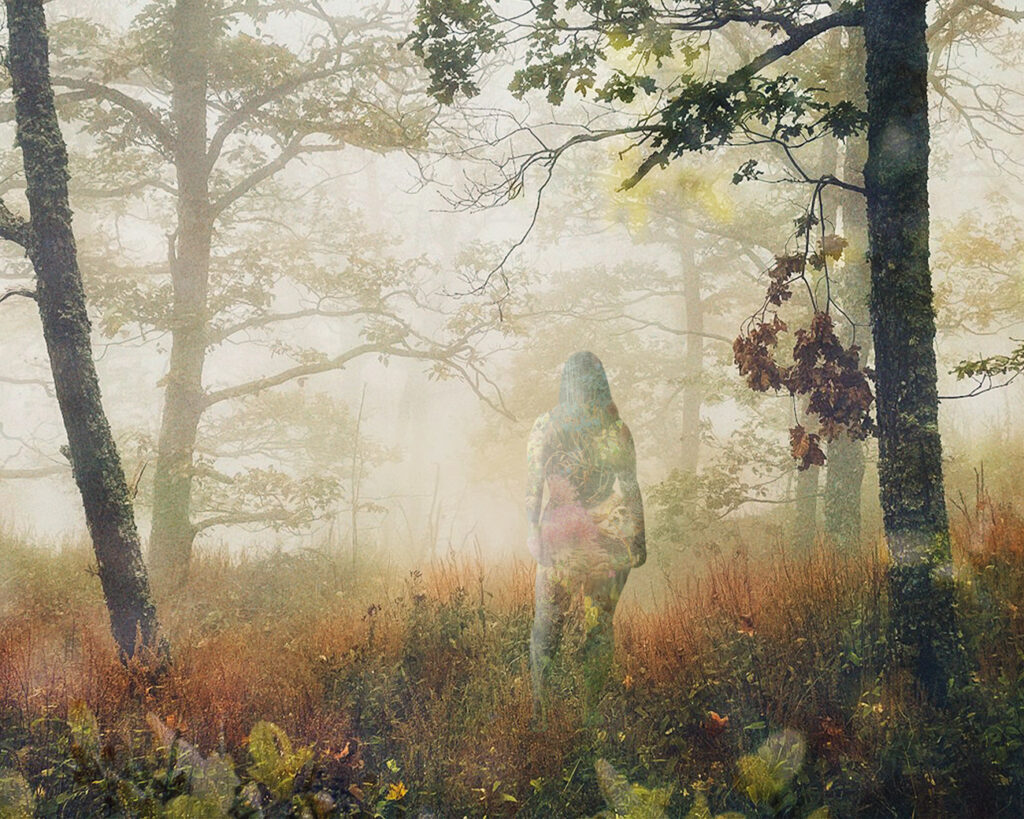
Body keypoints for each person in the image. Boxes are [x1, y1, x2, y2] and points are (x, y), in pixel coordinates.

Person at [526, 351, 646, 719]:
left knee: (548, 622)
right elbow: (630, 488)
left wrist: (534, 535)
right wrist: (639, 539)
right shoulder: (615, 430)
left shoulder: (545, 425)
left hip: (561, 537)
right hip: (607, 538)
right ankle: (591, 714)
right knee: (598, 627)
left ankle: (539, 711)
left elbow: (533, 490)